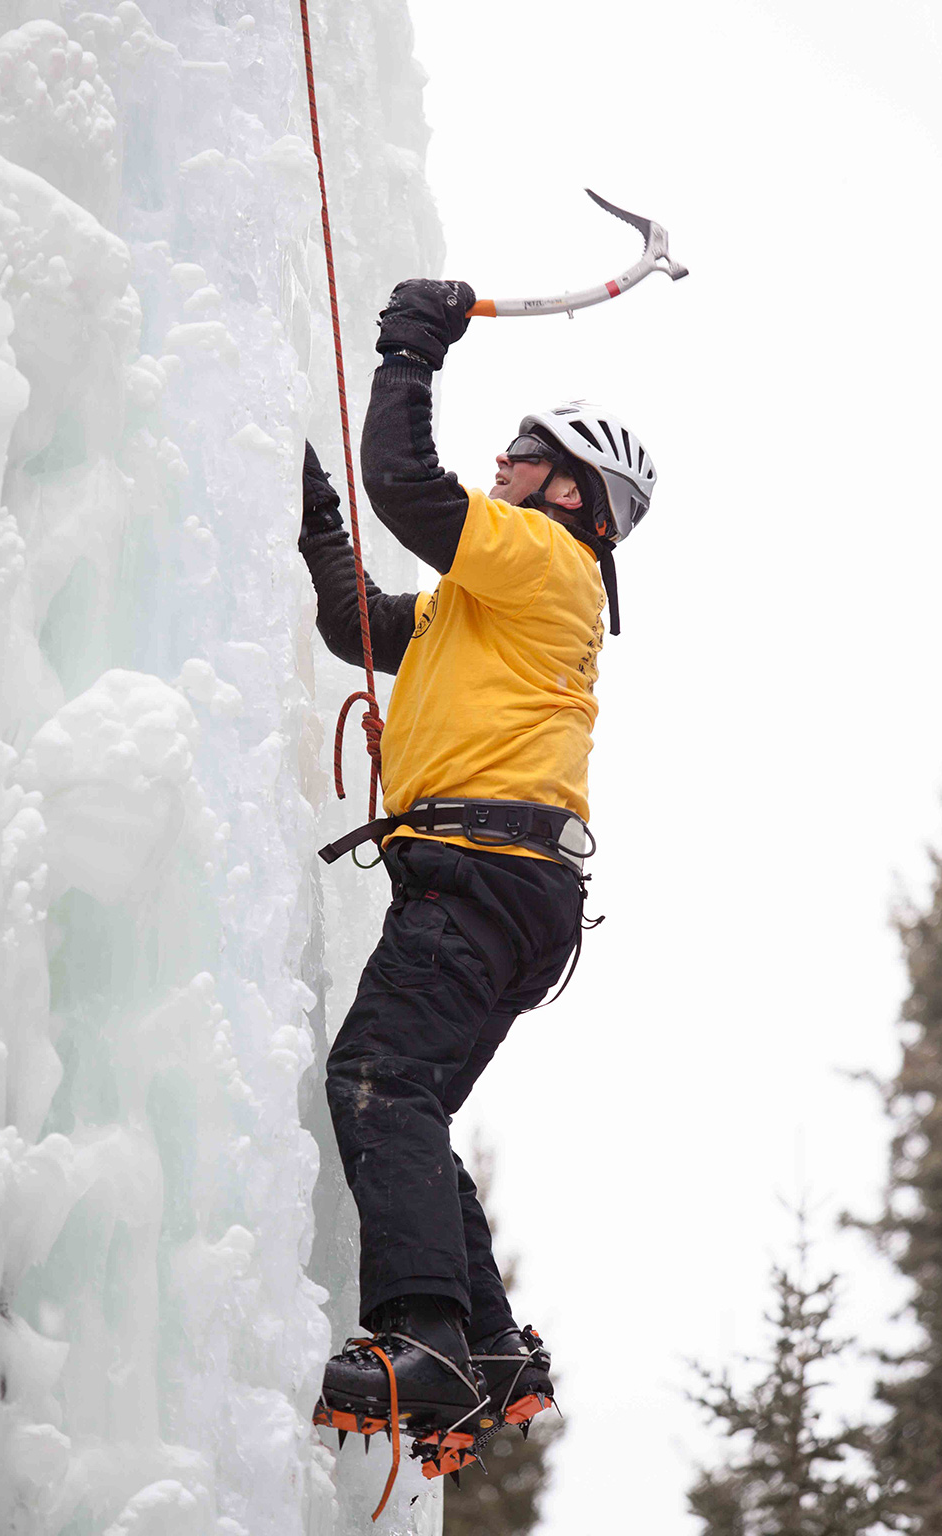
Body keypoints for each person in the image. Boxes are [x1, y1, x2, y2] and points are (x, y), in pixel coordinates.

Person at [298, 280, 656, 1467]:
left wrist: (412, 346)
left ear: (570, 493)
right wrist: (316, 524)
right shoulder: (495, 599)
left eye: (523, 452)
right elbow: (362, 628)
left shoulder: (546, 557)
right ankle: (493, 1357)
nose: (502, 463)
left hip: (481, 874)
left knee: (378, 1078)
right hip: (510, 890)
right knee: (413, 1098)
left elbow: (409, 485)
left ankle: (426, 1342)